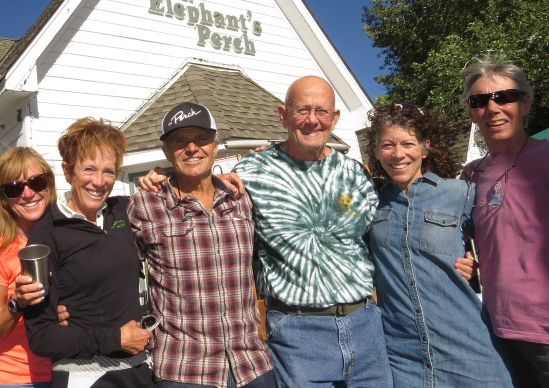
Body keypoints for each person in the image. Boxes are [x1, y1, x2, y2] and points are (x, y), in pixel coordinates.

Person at [233, 75, 393, 387]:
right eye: (302, 110)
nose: (312, 120)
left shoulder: (357, 174)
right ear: (283, 115)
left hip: (366, 328)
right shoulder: (251, 173)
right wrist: (164, 179)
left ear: (335, 118)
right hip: (297, 334)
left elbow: (388, 235)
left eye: (322, 111)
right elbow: (205, 201)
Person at [365, 103, 513, 386]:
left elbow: (504, 245)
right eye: (387, 145)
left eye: (408, 143)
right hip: (402, 356)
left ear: (425, 148)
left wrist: (477, 267)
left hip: (466, 347)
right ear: (376, 151)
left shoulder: (461, 194)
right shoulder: (370, 202)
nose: (398, 154)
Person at [128, 102, 273, 387]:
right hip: (185, 370)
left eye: (201, 139)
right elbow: (114, 267)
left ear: (215, 146)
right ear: (167, 152)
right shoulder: (145, 205)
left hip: (252, 365)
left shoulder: (240, 198)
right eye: (180, 141)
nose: (192, 148)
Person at [24, 117, 154, 388]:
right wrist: (114, 339)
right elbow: (41, 336)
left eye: (108, 171)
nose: (99, 181)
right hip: (85, 376)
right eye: (89, 169)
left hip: (139, 370)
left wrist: (213, 179)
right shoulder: (48, 232)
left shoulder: (123, 211)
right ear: (68, 171)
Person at [459, 58, 549, 387]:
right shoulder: (471, 175)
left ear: (526, 104)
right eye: (479, 101)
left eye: (504, 97)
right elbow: (465, 238)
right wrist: (465, 261)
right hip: (498, 329)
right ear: (472, 113)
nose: (492, 108)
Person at [0, 147, 55, 388]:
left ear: (49, 185)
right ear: (3, 199)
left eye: (37, 182)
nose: (28, 194)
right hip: (17, 379)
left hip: (71, 368)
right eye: (14, 188)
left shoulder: (66, 233)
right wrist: (17, 303)